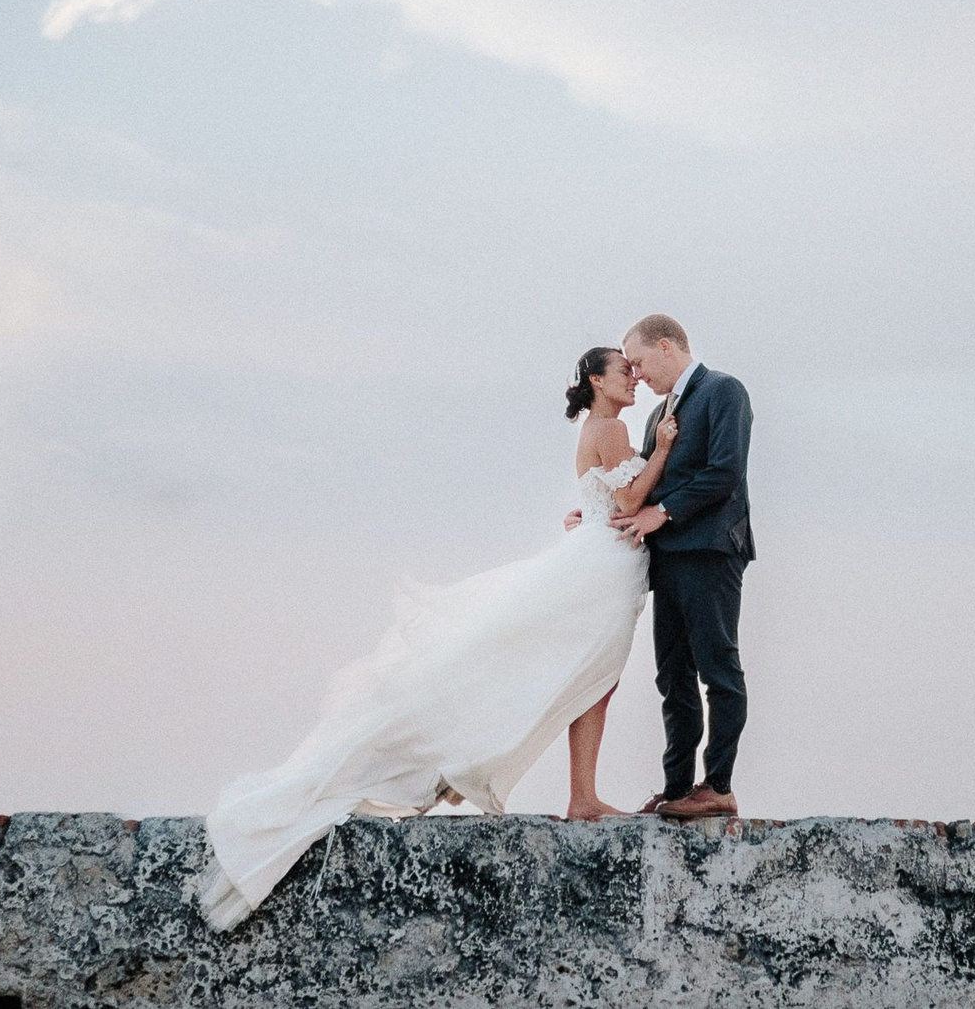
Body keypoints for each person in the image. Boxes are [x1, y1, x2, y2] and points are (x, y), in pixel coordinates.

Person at [196, 345, 676, 931]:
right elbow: (629, 500)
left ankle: (584, 795)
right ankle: (549, 785)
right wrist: (666, 451)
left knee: (593, 680)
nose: (633, 378)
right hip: (603, 568)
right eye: (623, 370)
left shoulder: (600, 427)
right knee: (582, 676)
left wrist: (600, 503)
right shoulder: (612, 426)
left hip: (605, 560)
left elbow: (600, 498)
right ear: (599, 381)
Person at [611, 313, 756, 820]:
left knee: (718, 668)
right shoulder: (656, 419)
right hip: (666, 559)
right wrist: (595, 516)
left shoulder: (724, 391)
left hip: (712, 552)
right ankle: (677, 789)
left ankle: (718, 786)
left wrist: (663, 513)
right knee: (672, 677)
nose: (637, 375)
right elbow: (642, 486)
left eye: (639, 362)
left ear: (667, 346)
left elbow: (724, 473)